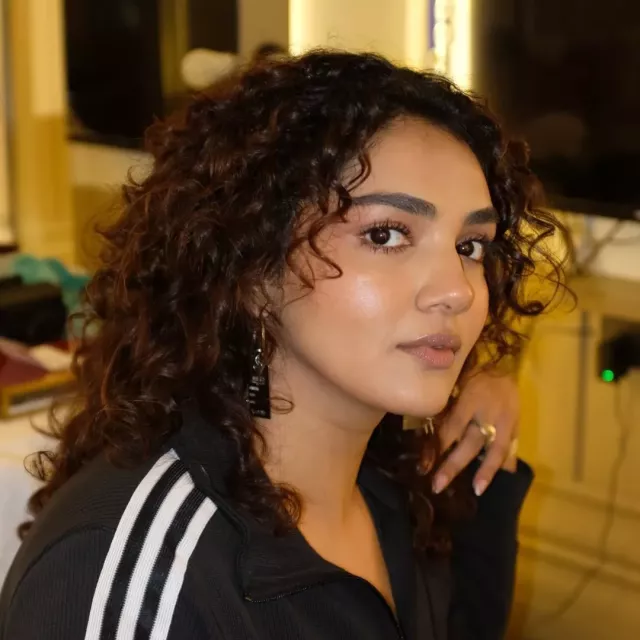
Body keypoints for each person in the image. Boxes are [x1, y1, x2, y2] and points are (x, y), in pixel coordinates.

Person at [0, 51, 566, 639]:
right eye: (385, 234)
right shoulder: (142, 572)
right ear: (250, 270)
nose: (457, 291)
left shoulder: (395, 489)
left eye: (470, 246)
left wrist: (486, 447)